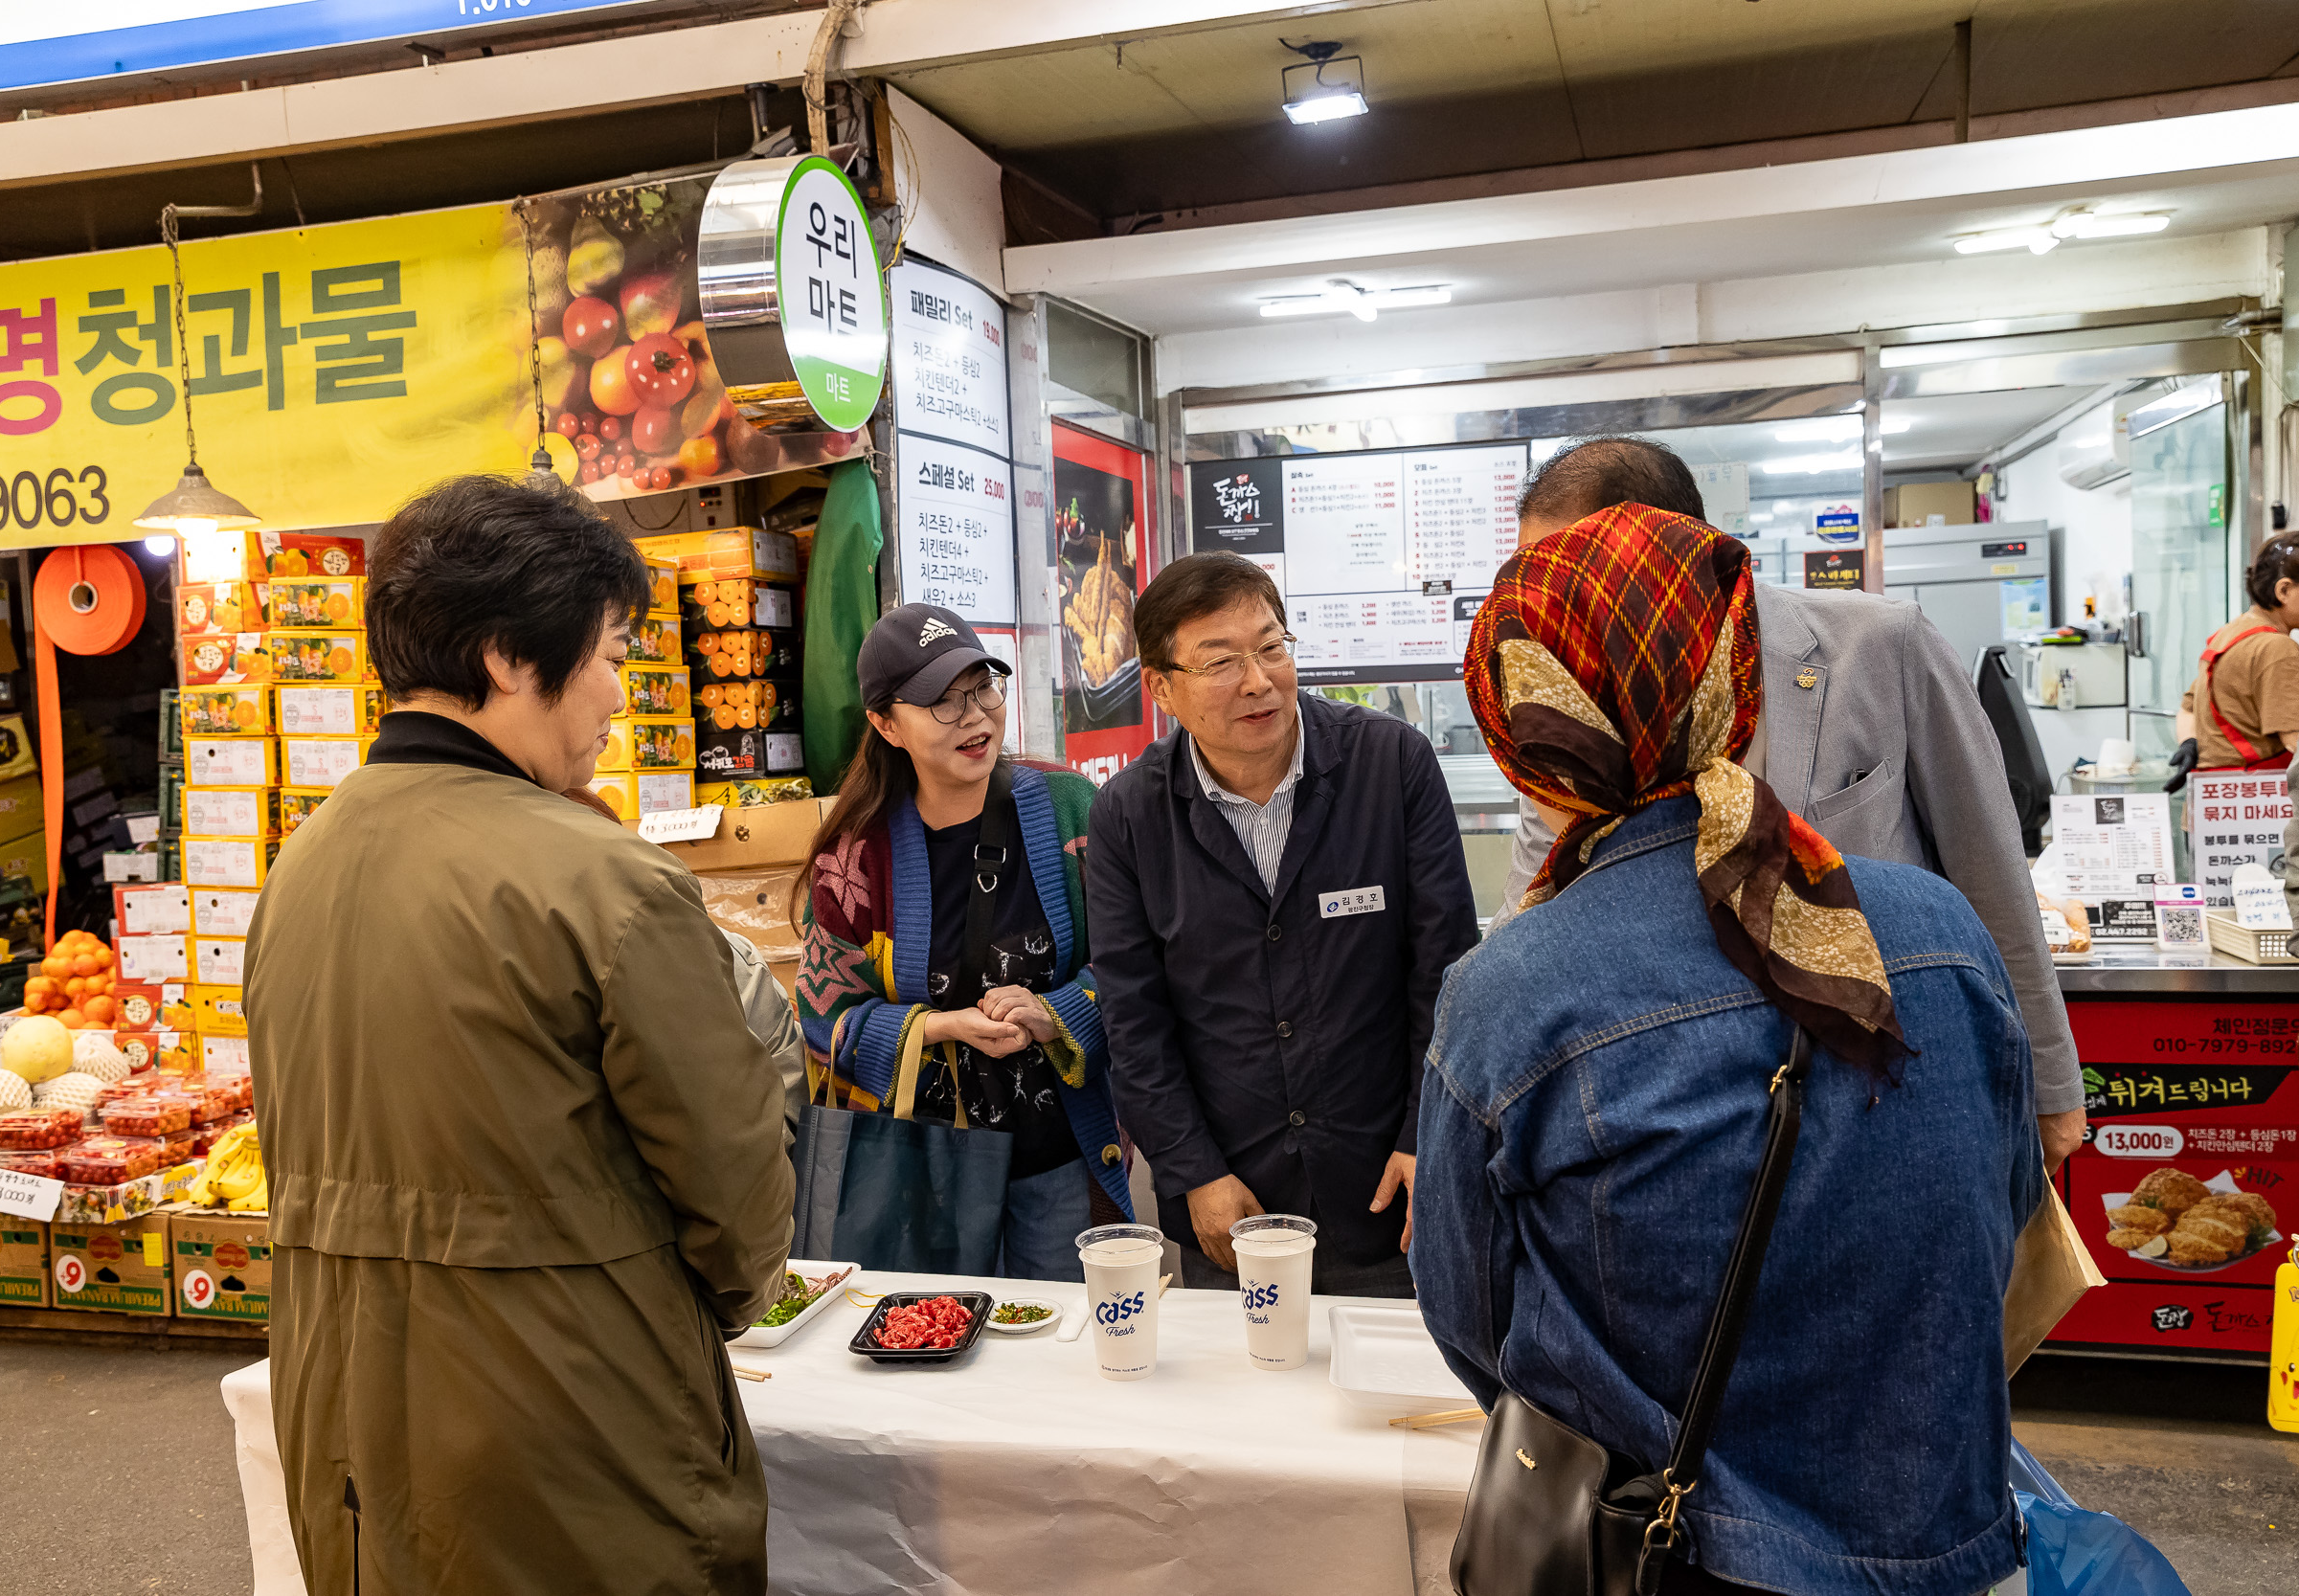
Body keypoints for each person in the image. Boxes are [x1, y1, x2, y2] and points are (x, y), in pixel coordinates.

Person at [1415, 503, 2040, 1596]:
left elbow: (1471, 1318)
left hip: (1675, 1553)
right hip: (1948, 1539)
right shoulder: (1941, 930)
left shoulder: (1509, 992)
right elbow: (2007, 1202)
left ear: (1521, 726)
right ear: (1734, 676)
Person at [245, 476, 797, 1593]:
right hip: (571, 1424)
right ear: (506, 655)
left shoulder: (297, 865)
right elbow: (733, 1192)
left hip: (344, 1412)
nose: (613, 693)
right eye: (605, 652)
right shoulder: (604, 879)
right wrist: (722, 1303)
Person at [1498, 436, 2087, 1169]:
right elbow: (1533, 902)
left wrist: (2050, 1089)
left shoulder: (1879, 646)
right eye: (1531, 577)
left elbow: (1990, 874)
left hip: (1880, 1085)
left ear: (1678, 550)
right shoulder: (1568, 700)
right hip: (1677, 1122)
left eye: (1571, 577)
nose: (1547, 608)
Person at [1087, 552, 1476, 1296]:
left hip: (1390, 1191)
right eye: (1221, 661)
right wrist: (1195, 1170)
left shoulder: (1391, 766)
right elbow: (1134, 1018)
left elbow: (1448, 969)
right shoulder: (1130, 816)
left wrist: (1428, 1136)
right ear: (1161, 688)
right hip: (1233, 1207)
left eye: (1271, 646)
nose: (1259, 679)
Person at [796, 603, 1132, 1275]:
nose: (975, 716)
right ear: (885, 724)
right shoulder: (855, 858)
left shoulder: (1071, 807)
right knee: (944, 1367)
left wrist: (1056, 1013)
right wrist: (937, 1026)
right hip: (926, 1181)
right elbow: (820, 1017)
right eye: (941, 703)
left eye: (982, 688)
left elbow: (1136, 966)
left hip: (1062, 1164)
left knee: (1066, 1361)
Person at [2174, 530, 2299, 775]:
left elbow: (2188, 708)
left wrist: (2189, 743)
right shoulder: (2277, 648)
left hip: (2219, 799)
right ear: (2284, 590)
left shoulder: (2231, 632)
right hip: (2258, 800)